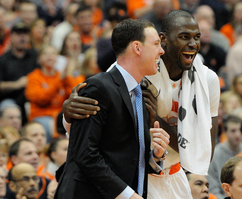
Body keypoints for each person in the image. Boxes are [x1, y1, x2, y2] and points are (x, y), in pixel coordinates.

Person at [63, 10, 220, 199]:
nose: (193, 44)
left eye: (197, 37)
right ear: (164, 39)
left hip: (171, 174)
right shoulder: (131, 73)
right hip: (131, 181)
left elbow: (203, 153)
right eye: (184, 37)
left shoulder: (207, 79)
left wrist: (156, 125)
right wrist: (67, 116)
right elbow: (92, 140)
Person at [54, 19, 168, 199]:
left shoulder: (142, 93)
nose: (161, 51)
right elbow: (84, 154)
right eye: (156, 44)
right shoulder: (99, 87)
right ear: (137, 48)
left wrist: (155, 156)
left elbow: (123, 157)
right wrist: (128, 196)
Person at [208, 116, 242, 199]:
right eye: (233, 131)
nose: (237, 134)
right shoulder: (215, 154)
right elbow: (213, 188)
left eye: (240, 130)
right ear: (224, 132)